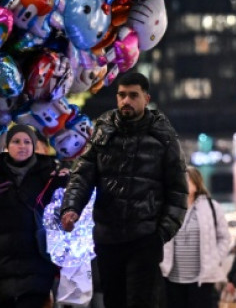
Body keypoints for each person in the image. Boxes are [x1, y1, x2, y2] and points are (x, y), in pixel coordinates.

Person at [61, 72, 189, 308]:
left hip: (145, 238)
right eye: (121, 95)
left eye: (133, 95)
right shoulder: (103, 130)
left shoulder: (163, 136)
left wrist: (160, 234)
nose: (126, 101)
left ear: (146, 98)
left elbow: (178, 192)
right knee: (113, 301)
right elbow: (82, 175)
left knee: (142, 302)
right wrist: (71, 207)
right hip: (108, 236)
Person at [0, 125, 66, 308]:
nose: (22, 146)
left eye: (27, 142)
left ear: (34, 145)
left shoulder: (48, 174)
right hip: (1, 264)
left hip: (36, 262)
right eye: (16, 141)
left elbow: (62, 211)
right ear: (7, 146)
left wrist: (64, 181)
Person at [160, 165, 230, 308]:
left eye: (187, 180)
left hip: (202, 280)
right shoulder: (167, 207)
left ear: (197, 185)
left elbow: (224, 237)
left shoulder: (211, 207)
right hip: (171, 278)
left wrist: (215, 258)